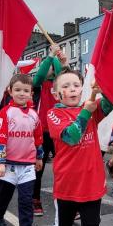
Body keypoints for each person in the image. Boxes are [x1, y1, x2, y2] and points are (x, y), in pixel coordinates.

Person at [43, 70, 113, 226]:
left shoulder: (90, 106)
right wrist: (86, 112)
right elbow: (72, 137)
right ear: (56, 93)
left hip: (92, 185)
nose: (72, 89)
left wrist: (105, 88)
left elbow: (112, 102)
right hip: (67, 186)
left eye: (76, 85)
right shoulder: (54, 114)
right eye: (66, 86)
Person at [0, 74, 44, 226]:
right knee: (4, 198)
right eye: (18, 90)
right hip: (8, 166)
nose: (22, 93)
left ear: (31, 93)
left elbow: (38, 137)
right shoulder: (5, 113)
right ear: (10, 91)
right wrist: (0, 162)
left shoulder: (34, 114)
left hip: (27, 166)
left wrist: (39, 156)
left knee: (26, 202)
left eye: (26, 90)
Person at [32, 45, 69, 216]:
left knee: (64, 168)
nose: (48, 69)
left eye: (51, 66)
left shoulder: (60, 86)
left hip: (59, 131)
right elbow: (39, 76)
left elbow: (67, 76)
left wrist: (64, 63)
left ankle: (67, 201)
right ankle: (35, 199)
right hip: (42, 132)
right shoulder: (39, 86)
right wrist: (50, 57)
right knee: (38, 167)